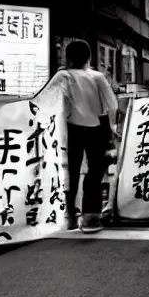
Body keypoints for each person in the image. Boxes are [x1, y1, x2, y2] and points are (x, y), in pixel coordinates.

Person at [48, 40, 118, 233]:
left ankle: (70, 215)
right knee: (94, 173)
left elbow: (47, 101)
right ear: (89, 58)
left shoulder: (63, 75)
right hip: (97, 129)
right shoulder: (98, 77)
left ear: (67, 58)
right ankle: (91, 216)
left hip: (71, 130)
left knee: (70, 172)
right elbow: (111, 106)